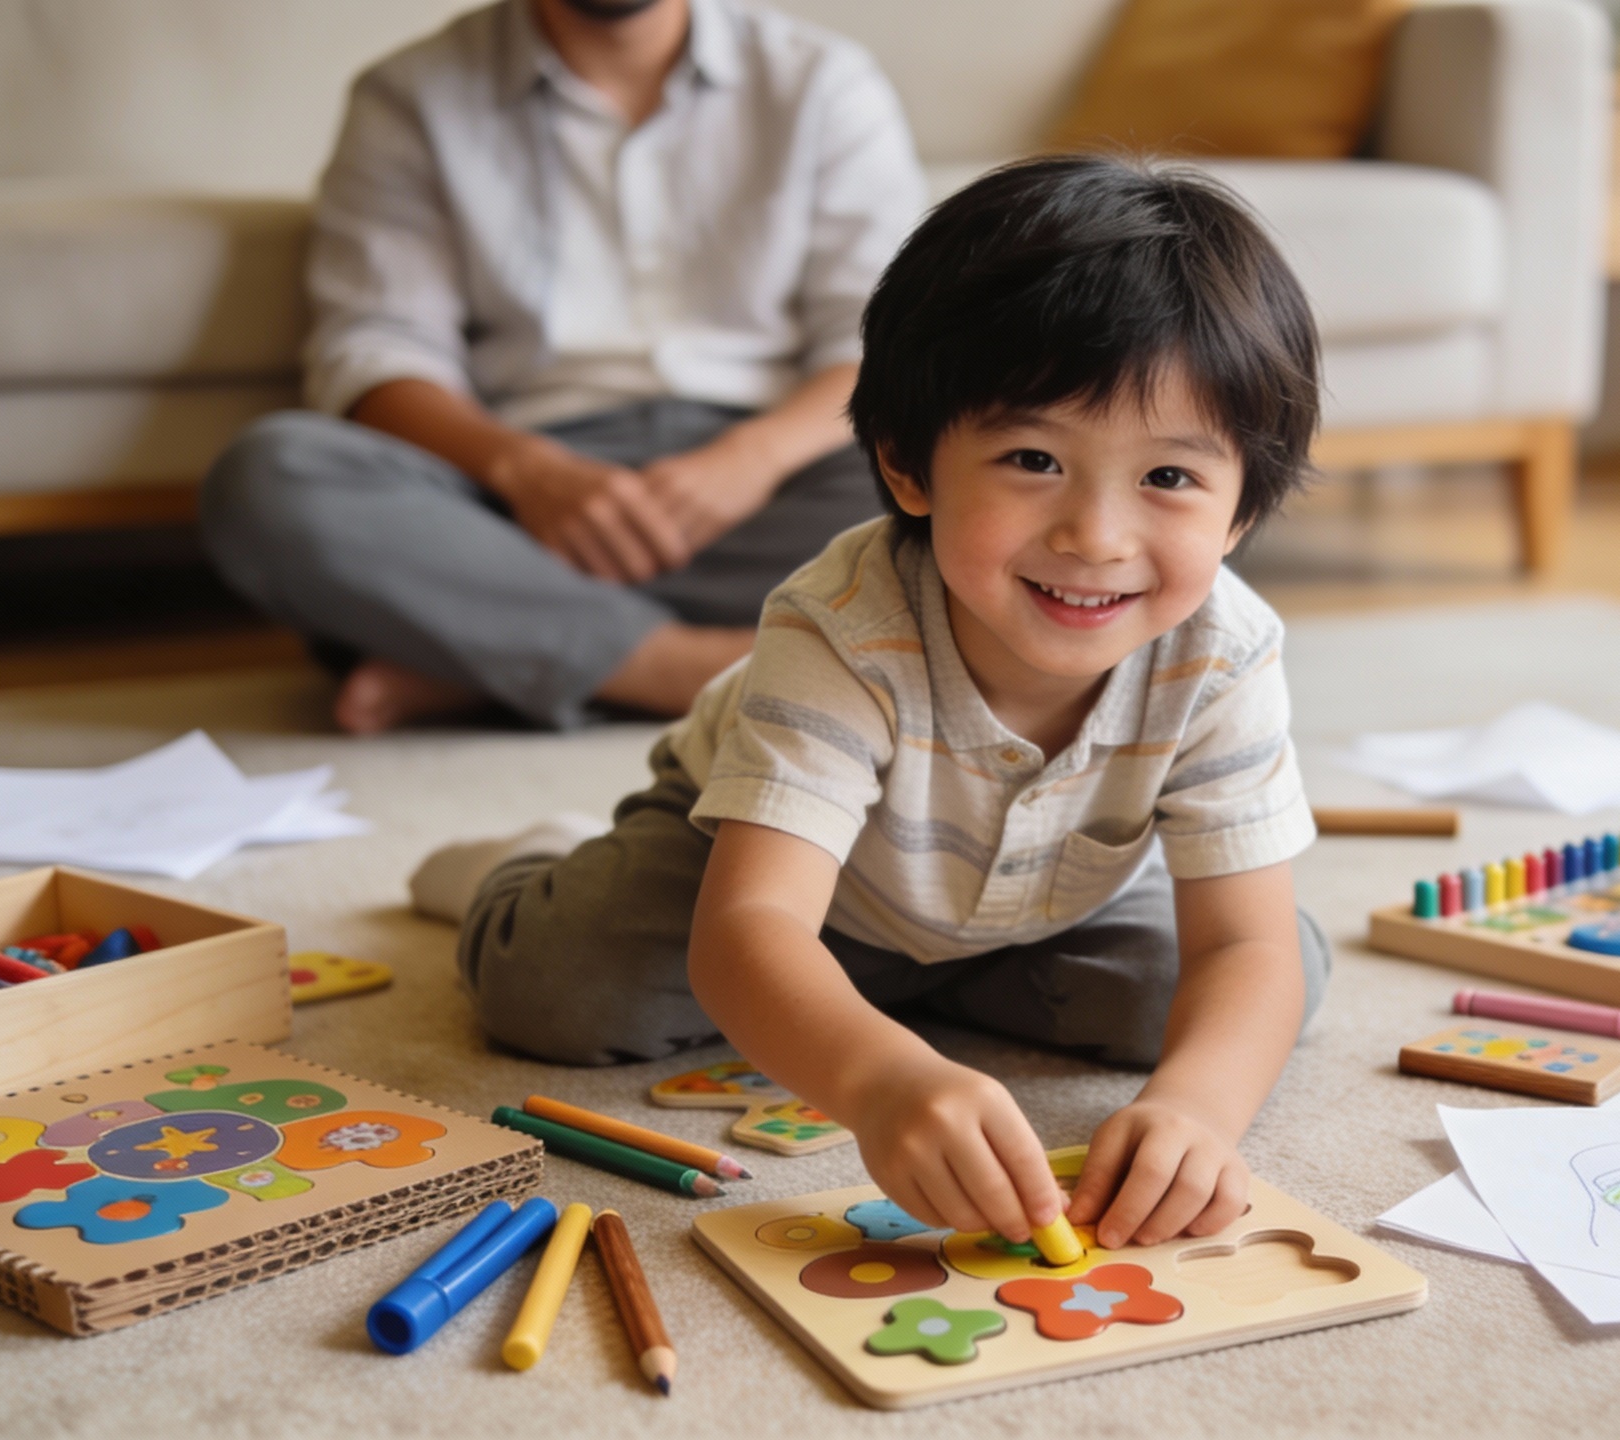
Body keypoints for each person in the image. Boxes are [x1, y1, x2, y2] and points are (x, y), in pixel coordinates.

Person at [436, 155, 1329, 1251]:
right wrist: (880, 1079)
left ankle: (924, 983)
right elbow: (753, 928)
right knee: (558, 992)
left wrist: (1196, 1113)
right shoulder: (841, 628)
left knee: (1258, 980)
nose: (1096, 538)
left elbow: (1243, 950)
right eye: (1033, 458)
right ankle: (530, 861)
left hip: (1046, 898)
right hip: (780, 872)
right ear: (909, 467)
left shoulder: (1225, 653)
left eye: (1169, 478)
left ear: (1242, 510)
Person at [199, 0, 925, 733]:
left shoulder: (825, 83)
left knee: (936, 480)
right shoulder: (409, 95)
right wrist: (526, 473)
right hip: (517, 496)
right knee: (269, 477)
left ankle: (500, 655)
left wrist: (750, 459)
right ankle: (688, 671)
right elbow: (377, 349)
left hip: (778, 477)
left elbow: (883, 341)